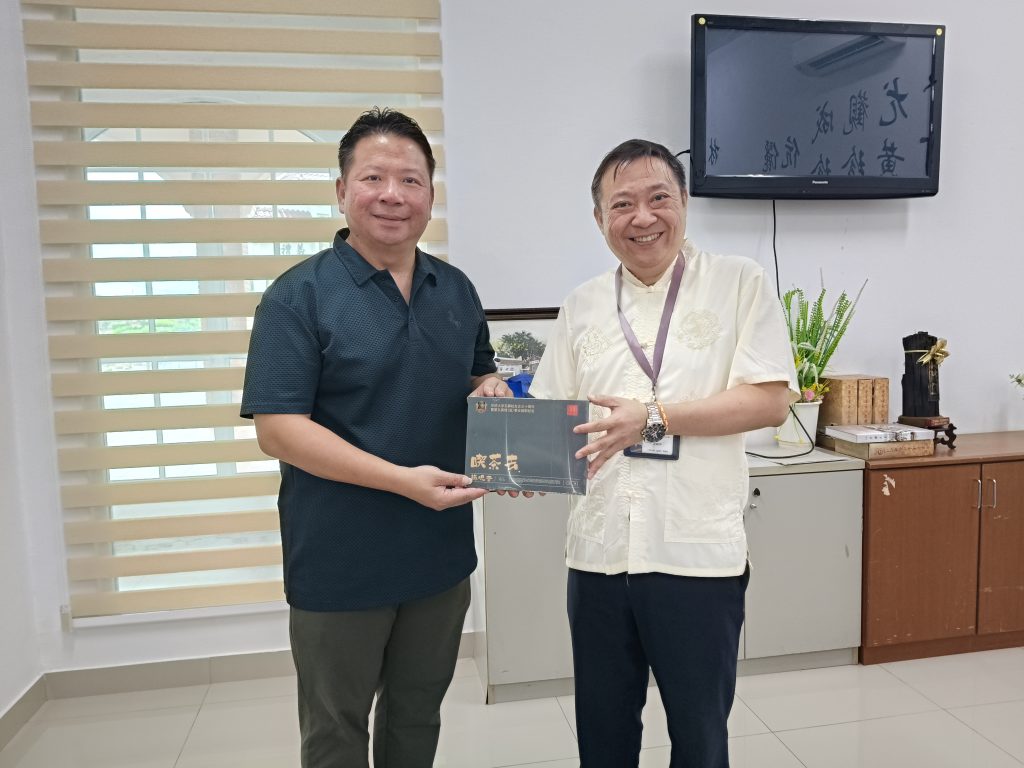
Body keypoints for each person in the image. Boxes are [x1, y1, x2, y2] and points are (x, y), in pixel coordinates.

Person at [240, 107, 510, 768]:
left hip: (439, 554)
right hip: (339, 556)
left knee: (417, 715)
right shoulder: (297, 297)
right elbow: (278, 430)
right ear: (342, 191)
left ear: (430, 195)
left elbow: (478, 375)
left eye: (411, 180)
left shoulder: (456, 290)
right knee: (336, 728)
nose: (393, 195)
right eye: (373, 178)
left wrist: (491, 391)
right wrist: (400, 481)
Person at [529, 139, 797, 768]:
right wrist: (517, 454)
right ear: (600, 218)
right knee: (603, 735)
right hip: (598, 554)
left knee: (699, 738)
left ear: (685, 203)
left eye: (658, 198)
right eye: (622, 204)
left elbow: (769, 401)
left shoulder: (739, 283)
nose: (642, 217)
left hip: (694, 554)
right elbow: (549, 415)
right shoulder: (581, 304)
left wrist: (652, 418)